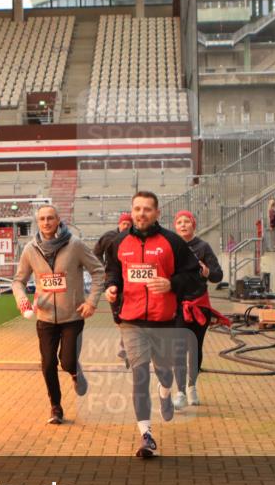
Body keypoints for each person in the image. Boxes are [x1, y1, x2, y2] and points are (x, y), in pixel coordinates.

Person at [104, 191, 206, 458]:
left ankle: (165, 391)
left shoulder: (172, 242)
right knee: (139, 375)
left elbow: (195, 277)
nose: (141, 214)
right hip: (131, 320)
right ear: (132, 210)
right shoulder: (119, 242)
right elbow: (113, 270)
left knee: (165, 372)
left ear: (157, 213)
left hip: (164, 321)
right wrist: (112, 286)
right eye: (137, 209)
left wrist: (171, 283)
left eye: (147, 209)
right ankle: (146, 436)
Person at [12, 204, 104, 424]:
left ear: (58, 219)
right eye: (42, 219)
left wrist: (91, 301)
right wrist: (22, 299)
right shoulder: (30, 249)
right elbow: (18, 281)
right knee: (47, 364)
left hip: (73, 315)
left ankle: (74, 371)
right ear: (38, 221)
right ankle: (56, 407)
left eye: (50, 218)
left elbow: (98, 271)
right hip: (45, 317)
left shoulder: (75, 245)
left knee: (68, 361)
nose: (46, 222)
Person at [170, 210, 227, 409]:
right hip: (178, 306)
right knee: (178, 350)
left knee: (195, 349)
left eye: (187, 222)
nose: (183, 225)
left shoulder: (203, 247)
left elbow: (218, 276)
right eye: (179, 222)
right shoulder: (171, 246)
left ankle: (192, 386)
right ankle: (180, 393)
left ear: (193, 225)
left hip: (199, 305)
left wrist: (207, 271)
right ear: (175, 226)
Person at [93, 212, 133, 365]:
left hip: (130, 281)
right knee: (117, 315)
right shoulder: (109, 237)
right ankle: (125, 342)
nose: (126, 226)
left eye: (129, 224)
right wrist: (102, 269)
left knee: (128, 312)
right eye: (124, 223)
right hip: (112, 280)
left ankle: (126, 345)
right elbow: (96, 253)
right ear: (119, 223)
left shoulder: (135, 238)